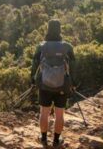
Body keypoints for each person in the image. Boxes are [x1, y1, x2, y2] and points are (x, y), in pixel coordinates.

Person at [30, 19, 75, 148]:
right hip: (62, 85)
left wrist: (32, 81)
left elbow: (34, 66)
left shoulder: (41, 46)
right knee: (60, 114)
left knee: (44, 112)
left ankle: (43, 138)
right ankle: (56, 140)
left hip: (45, 85)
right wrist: (74, 83)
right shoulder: (67, 46)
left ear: (48, 30)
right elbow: (74, 66)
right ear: (60, 30)